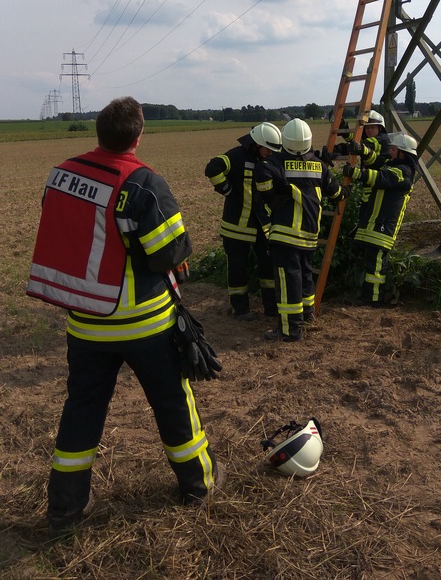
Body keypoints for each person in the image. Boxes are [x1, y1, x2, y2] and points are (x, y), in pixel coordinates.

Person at [26, 96, 219, 530]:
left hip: (86, 322)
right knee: (172, 403)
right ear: (138, 135)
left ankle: (65, 507)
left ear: (99, 132)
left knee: (82, 409)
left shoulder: (61, 176)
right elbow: (171, 252)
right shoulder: (144, 183)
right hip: (146, 322)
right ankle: (199, 485)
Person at [254, 119, 348, 342]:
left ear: (284, 140)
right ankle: (307, 317)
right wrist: (346, 184)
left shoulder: (274, 164)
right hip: (309, 236)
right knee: (305, 277)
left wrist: (281, 191)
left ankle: (290, 330)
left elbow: (263, 185)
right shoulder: (319, 166)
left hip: (285, 236)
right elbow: (338, 195)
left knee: (288, 283)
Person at [204, 122, 282, 320]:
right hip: (236, 228)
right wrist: (227, 190)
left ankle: (271, 308)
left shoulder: (268, 159)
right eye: (268, 149)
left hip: (262, 226)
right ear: (256, 144)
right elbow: (212, 168)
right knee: (238, 270)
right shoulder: (236, 156)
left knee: (268, 268)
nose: (270, 153)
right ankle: (241, 310)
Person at [343, 132, 421, 305]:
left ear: (403, 153)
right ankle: (367, 297)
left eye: (393, 149)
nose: (390, 152)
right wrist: (359, 149)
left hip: (383, 227)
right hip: (373, 224)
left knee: (376, 266)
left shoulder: (404, 172)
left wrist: (356, 173)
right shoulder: (391, 164)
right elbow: (375, 160)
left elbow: (381, 178)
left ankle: (374, 300)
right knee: (371, 262)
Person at [323, 110, 390, 168]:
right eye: (367, 128)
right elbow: (355, 141)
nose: (369, 130)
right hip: (368, 178)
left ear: (380, 128)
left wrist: (337, 149)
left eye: (372, 127)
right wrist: (342, 126)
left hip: (381, 178)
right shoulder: (369, 138)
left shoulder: (382, 139)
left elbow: (358, 146)